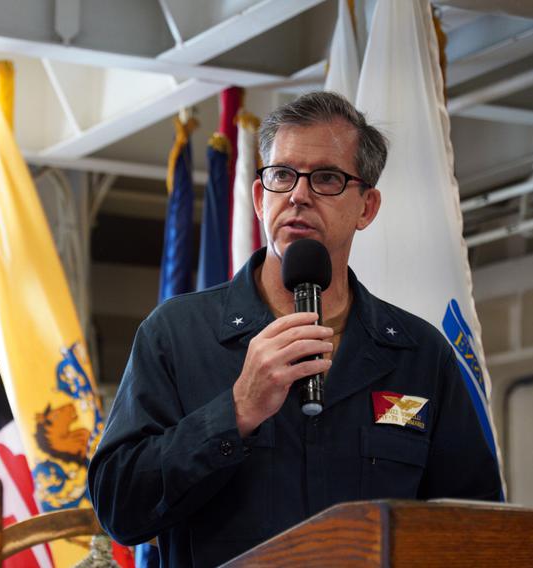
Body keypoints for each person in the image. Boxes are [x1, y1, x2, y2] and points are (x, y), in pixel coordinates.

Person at [87, 92, 502, 568]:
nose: (298, 195)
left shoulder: (420, 354)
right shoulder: (177, 335)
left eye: (326, 178)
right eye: (282, 175)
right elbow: (118, 507)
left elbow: (475, 528)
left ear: (367, 207)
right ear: (261, 200)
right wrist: (236, 410)